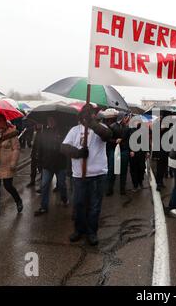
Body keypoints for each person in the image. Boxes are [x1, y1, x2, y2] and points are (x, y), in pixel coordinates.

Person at [61, 104, 114, 246]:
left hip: (98, 174)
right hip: (79, 175)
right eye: (85, 114)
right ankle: (79, 230)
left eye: (89, 114)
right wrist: (77, 153)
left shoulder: (101, 128)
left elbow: (108, 136)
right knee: (79, 204)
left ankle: (92, 232)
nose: (86, 117)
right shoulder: (75, 130)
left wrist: (91, 123)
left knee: (94, 206)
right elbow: (64, 147)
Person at [34, 116, 68, 216]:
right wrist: (39, 162)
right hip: (47, 164)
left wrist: (58, 142)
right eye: (49, 121)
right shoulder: (44, 133)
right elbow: (40, 148)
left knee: (61, 184)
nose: (51, 122)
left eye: (53, 120)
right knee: (44, 185)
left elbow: (66, 147)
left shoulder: (63, 132)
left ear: (56, 121)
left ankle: (64, 198)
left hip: (60, 164)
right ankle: (44, 207)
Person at [106, 111, 131, 195]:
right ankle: (109, 189)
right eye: (125, 117)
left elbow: (129, 140)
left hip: (124, 151)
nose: (127, 119)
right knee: (112, 170)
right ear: (121, 117)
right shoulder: (112, 126)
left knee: (123, 171)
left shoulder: (127, 128)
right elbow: (108, 139)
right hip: (113, 151)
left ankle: (122, 189)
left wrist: (130, 150)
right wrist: (115, 141)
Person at [129, 121, 146, 191]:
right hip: (134, 153)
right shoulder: (131, 131)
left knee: (141, 169)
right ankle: (135, 185)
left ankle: (140, 182)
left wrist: (147, 152)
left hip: (141, 153)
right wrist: (131, 150)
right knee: (134, 170)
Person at [26, 123, 43, 188]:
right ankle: (32, 181)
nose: (38, 125)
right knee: (33, 168)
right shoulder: (34, 132)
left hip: (41, 154)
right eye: (37, 124)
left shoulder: (43, 132)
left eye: (39, 124)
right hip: (34, 153)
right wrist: (30, 142)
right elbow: (31, 142)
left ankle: (43, 185)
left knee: (41, 168)